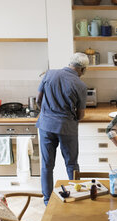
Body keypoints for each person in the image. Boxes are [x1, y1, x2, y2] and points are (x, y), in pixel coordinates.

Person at [36, 52, 89, 205]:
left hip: (46, 125)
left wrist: (47, 113)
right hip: (66, 128)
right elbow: (80, 114)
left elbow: (39, 99)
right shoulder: (80, 85)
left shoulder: (49, 74)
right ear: (83, 69)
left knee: (46, 165)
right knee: (71, 164)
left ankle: (47, 201)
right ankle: (75, 196)